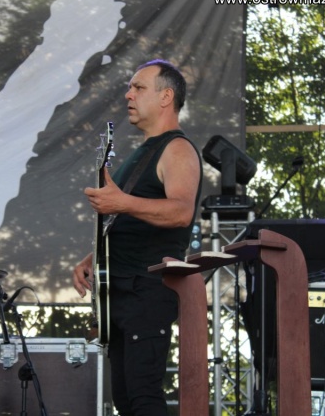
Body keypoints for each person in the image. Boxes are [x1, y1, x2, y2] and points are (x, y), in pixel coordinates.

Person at [72, 59, 202, 415]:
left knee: (144, 398)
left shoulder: (177, 148)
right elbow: (128, 218)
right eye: (130, 88)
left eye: (138, 87)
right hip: (121, 293)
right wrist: (93, 258)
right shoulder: (144, 151)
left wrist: (122, 202)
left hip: (147, 290)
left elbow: (181, 212)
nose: (128, 95)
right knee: (126, 400)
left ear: (166, 97)